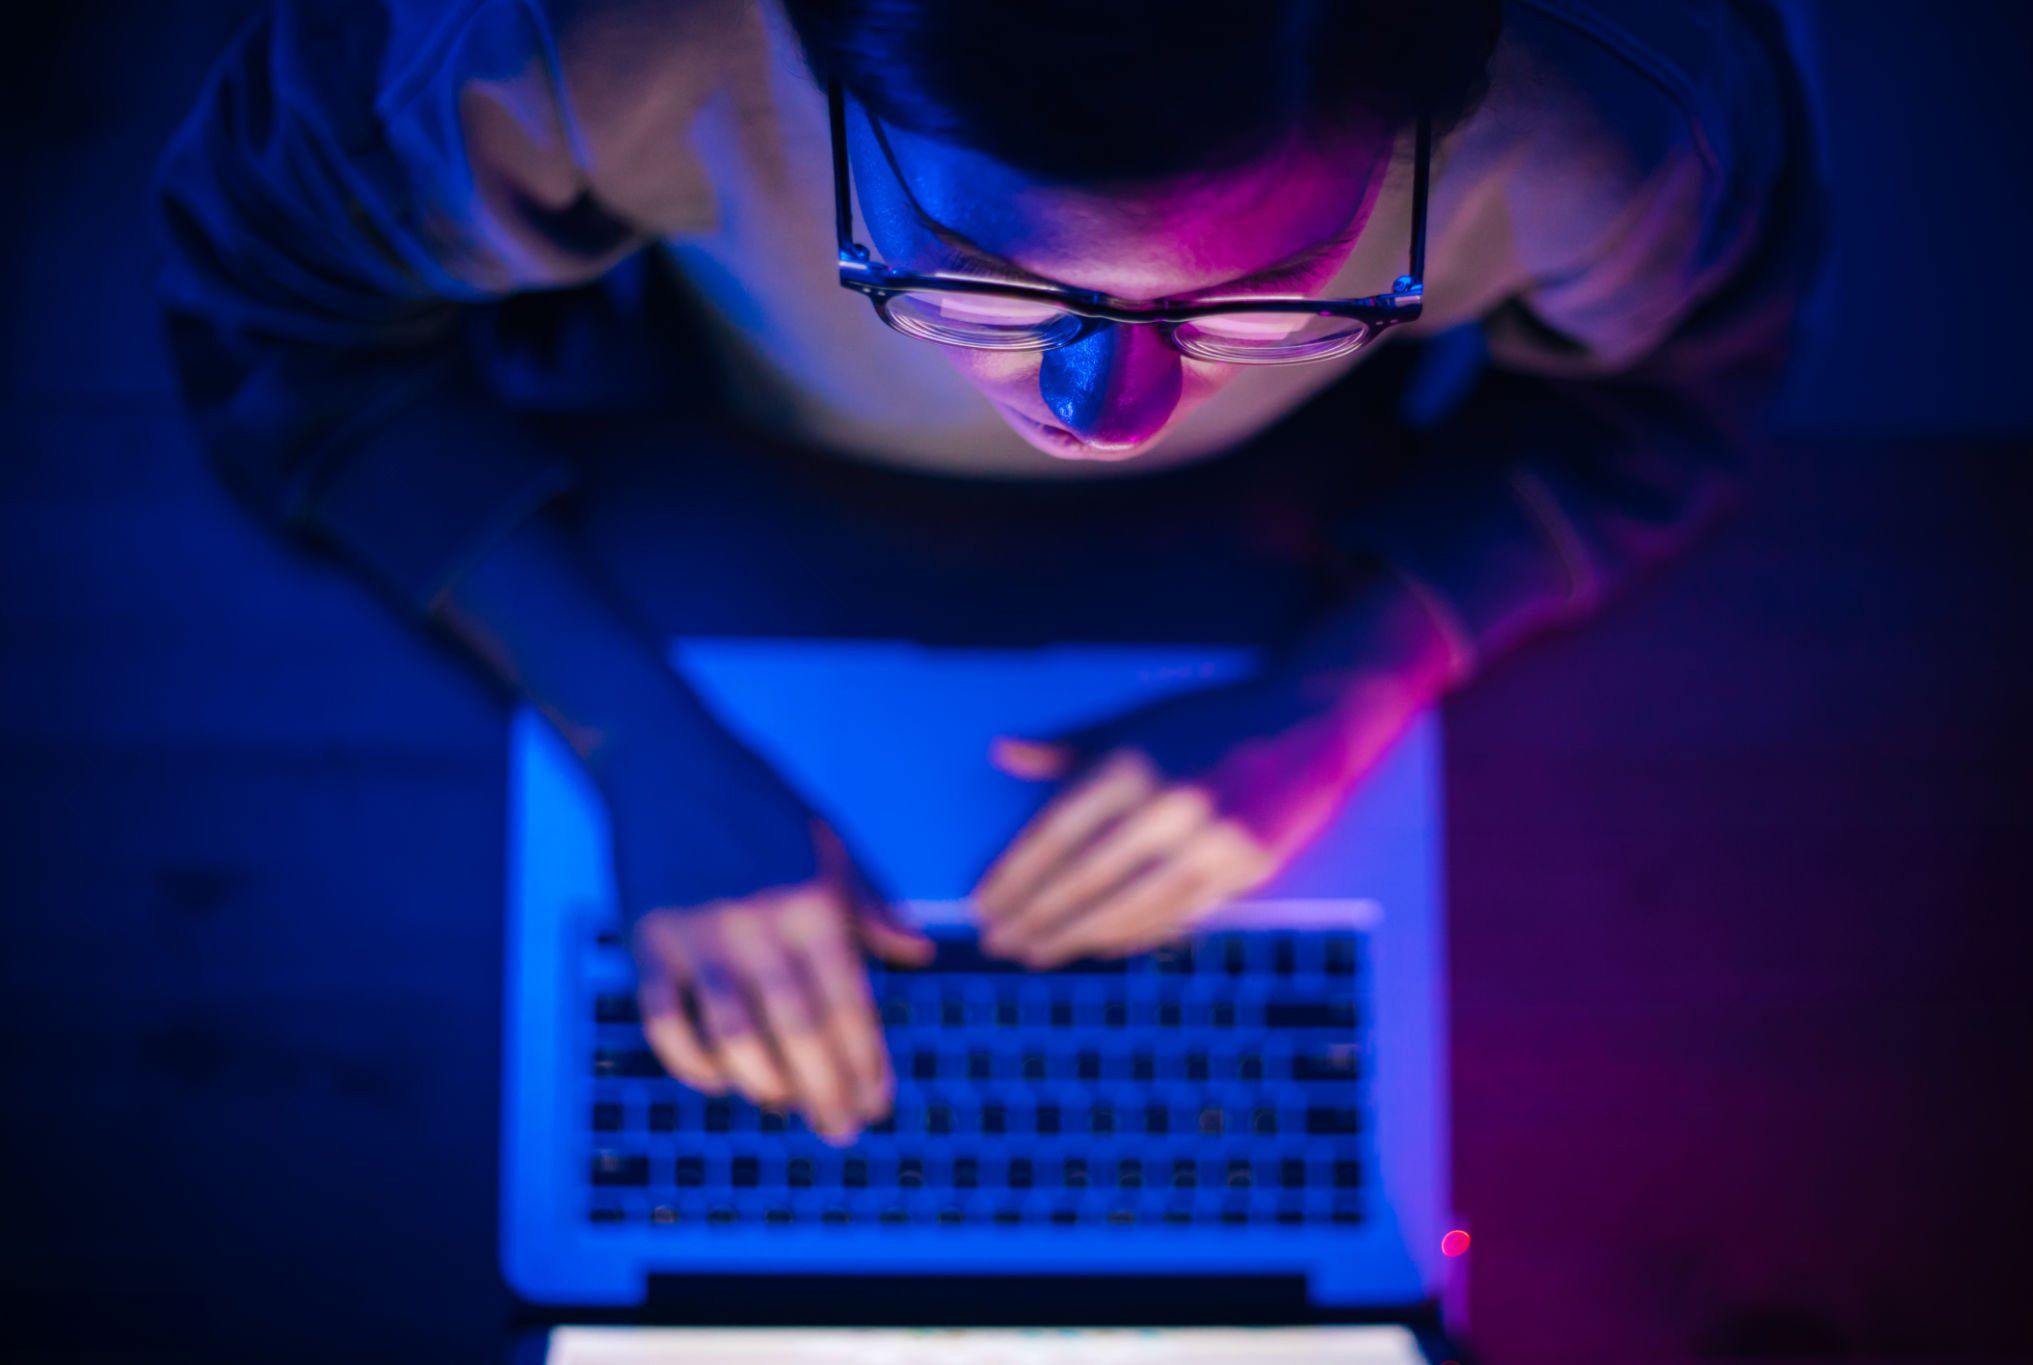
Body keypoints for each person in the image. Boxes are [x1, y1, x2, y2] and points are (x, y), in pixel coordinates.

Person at [156, 0, 1822, 1146]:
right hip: (678, 449)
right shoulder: (535, 41)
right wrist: (628, 732)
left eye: (1266, 291)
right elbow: (276, 322)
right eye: (974, 276)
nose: (1109, 419)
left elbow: (1672, 395)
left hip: (1289, 528)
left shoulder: (1626, 125)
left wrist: (1360, 674)